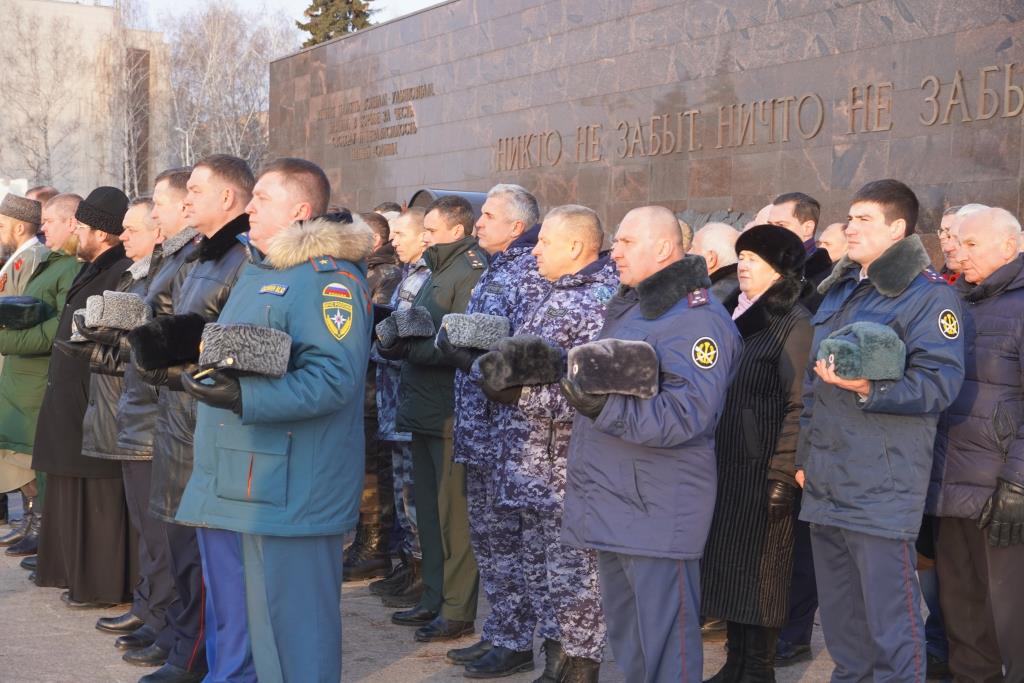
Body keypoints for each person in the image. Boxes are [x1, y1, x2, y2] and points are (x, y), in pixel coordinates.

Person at [176, 158, 373, 683]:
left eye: (262, 198)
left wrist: (243, 396)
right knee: (244, 636)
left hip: (292, 488)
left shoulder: (328, 282)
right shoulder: (259, 271)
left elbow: (334, 379)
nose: (251, 206)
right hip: (246, 478)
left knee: (295, 641)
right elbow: (242, 354)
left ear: (301, 211)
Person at [562, 205, 742, 682]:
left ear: (663, 248)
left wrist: (604, 409)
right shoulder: (634, 307)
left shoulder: (697, 320)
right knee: (632, 645)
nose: (613, 251)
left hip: (658, 509)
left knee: (666, 649)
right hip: (616, 500)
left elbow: (688, 414)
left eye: (624, 242)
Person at [796, 179, 965, 683]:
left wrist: (871, 387)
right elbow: (812, 388)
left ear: (898, 228)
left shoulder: (927, 297)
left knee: (894, 629)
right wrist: (804, 459)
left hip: (881, 486)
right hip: (827, 479)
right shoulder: (843, 289)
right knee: (845, 630)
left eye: (864, 219)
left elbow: (941, 383)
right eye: (849, 218)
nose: (850, 228)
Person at [128, 154, 254, 683]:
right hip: (178, 416)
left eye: (195, 191)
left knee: (202, 558)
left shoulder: (240, 258)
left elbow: (223, 345)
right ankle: (182, 644)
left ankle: (191, 656)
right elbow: (174, 325)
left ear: (227, 198)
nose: (185, 201)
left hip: (203, 417)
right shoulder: (202, 257)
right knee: (181, 549)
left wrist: (175, 363)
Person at [484, 204, 617, 681]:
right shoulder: (553, 293)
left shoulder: (597, 302)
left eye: (544, 243)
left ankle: (581, 668)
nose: (533, 250)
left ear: (577, 247)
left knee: (577, 579)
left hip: (566, 471)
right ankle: (556, 661)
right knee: (544, 574)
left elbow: (591, 396)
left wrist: (517, 396)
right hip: (532, 466)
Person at [91, 169, 199, 658]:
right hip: (141, 407)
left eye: (159, 205)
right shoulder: (169, 262)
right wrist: (99, 342)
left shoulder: (187, 261)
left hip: (163, 413)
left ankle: (165, 621)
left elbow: (172, 335)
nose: (154, 215)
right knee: (150, 532)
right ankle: (154, 613)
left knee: (165, 537)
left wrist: (127, 338)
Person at [445, 183, 550, 676]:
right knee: (488, 538)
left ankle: (515, 639)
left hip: (507, 432)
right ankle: (501, 630)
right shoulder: (498, 268)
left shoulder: (529, 273)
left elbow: (522, 349)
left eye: (488, 215)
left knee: (510, 541)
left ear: (517, 226)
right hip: (479, 428)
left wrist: (476, 357)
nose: (478, 222)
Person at [700, 224, 813, 682]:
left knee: (765, 568)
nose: (743, 265)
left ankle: (759, 668)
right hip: (723, 460)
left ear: (780, 271)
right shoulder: (727, 311)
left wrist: (786, 471)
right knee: (730, 565)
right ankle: (736, 661)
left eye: (756, 260)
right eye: (741, 256)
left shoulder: (795, 322)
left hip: (765, 462)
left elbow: (799, 401)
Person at [381, 195, 486, 643]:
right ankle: (433, 597)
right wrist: (393, 336)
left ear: (457, 233)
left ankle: (458, 607)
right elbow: (418, 324)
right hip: (422, 404)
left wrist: (408, 347)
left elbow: (457, 340)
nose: (424, 238)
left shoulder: (469, 272)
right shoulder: (436, 271)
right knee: (427, 511)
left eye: (431, 231)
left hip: (449, 409)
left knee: (452, 516)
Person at [929, 206, 1024, 681]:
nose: (958, 254)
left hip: (1001, 493)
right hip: (951, 485)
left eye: (970, 245)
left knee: (1011, 620)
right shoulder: (955, 303)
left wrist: (1018, 483)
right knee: (962, 616)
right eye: (956, 243)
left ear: (1009, 247)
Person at [33, 187, 134, 608]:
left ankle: (101, 582)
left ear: (103, 233)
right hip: (74, 395)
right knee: (72, 489)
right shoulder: (92, 266)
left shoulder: (120, 271)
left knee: (98, 497)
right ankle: (72, 570)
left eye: (82, 226)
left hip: (95, 397)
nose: (75, 231)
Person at [0, 194, 82, 559]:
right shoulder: (50, 261)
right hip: (20, 372)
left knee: (35, 455)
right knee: (25, 453)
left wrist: (4, 338)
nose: (43, 226)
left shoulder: (50, 262)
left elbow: (49, 326)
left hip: (34, 373)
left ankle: (43, 525)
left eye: (50, 220)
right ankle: (37, 523)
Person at [370, 208, 429, 608]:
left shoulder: (426, 278)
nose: (395, 240)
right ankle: (408, 565)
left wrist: (388, 345)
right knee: (402, 487)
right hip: (393, 401)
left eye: (402, 233)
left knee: (414, 494)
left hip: (410, 402)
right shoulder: (406, 275)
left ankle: (422, 574)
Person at [344, 211, 403, 581]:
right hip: (361, 387)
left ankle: (376, 546)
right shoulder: (358, 272)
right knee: (365, 472)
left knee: (375, 473)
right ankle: (366, 541)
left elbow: (374, 327)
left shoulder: (386, 275)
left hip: (374, 387)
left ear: (374, 241)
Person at [0, 193, 51, 552]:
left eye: (2, 224)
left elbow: (24, 312)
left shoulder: (31, 259)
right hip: (11, 365)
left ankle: (35, 520)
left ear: (20, 226)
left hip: (19, 366)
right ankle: (28, 519)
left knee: (22, 452)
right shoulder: (18, 259)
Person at [767, 192, 831, 312]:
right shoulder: (763, 267)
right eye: (769, 224)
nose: (771, 231)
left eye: (781, 225)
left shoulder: (825, 280)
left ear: (808, 228)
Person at [690, 222, 740, 303]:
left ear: (710, 259)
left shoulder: (707, 300)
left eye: (693, 248)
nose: (688, 253)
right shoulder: (744, 288)